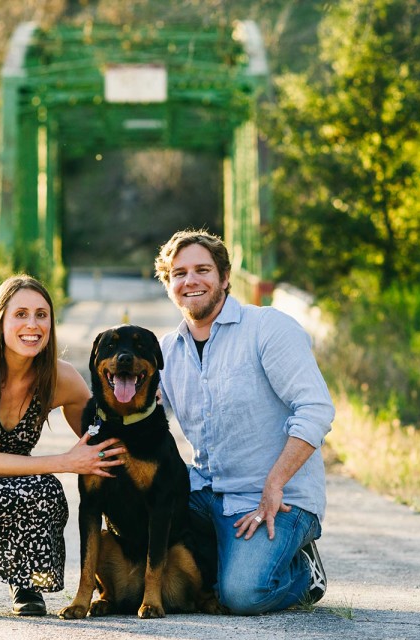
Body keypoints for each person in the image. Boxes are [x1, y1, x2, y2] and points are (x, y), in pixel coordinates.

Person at [153, 229, 335, 615]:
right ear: (168, 284)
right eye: (179, 273)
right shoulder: (168, 351)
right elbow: (144, 417)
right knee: (147, 498)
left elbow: (316, 409)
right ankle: (225, 558)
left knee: (242, 595)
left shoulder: (267, 328)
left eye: (202, 269)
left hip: (276, 498)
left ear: (224, 276)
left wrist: (274, 483)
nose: (191, 281)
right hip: (207, 492)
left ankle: (304, 572)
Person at [0, 275, 124, 617]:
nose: (33, 325)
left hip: (18, 484)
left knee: (46, 491)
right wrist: (65, 461)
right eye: (21, 314)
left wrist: (136, 407)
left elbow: (103, 438)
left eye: (42, 315)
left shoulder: (59, 378)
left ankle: (27, 580)